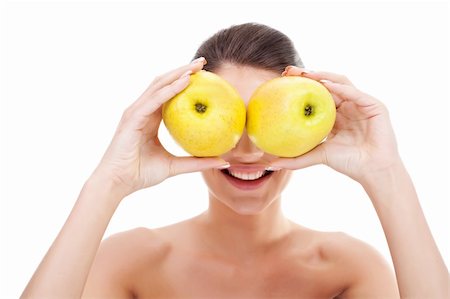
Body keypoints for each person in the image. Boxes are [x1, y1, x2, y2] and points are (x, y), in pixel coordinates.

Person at [21, 23, 448, 299]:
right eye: (229, 121)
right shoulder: (130, 261)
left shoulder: (348, 267)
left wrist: (386, 174)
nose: (247, 151)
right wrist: (108, 181)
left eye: (265, 120)